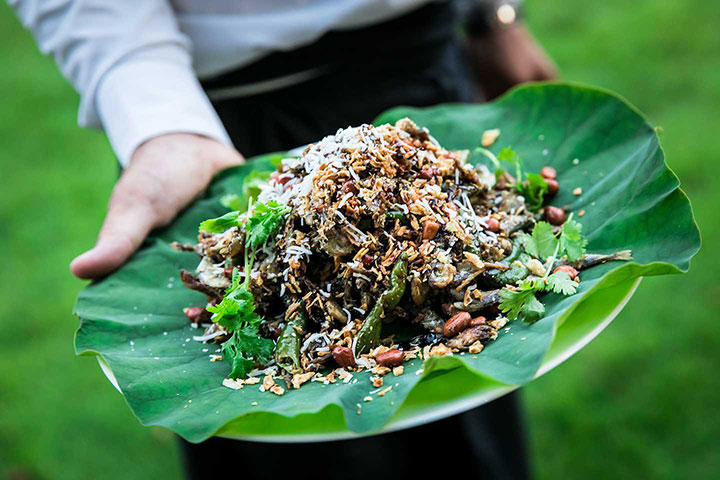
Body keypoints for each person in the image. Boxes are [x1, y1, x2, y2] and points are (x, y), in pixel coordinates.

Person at [11, 0, 556, 478]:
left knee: (469, 434)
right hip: (212, 116)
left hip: (421, 67)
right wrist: (156, 119)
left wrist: (490, 13)